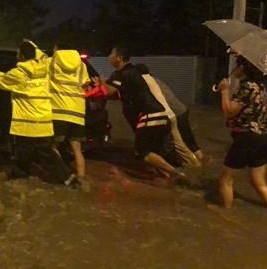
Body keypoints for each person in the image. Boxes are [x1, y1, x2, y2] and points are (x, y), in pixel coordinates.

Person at [0, 40, 76, 186]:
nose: (16, 56)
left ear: (22, 56)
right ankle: (69, 178)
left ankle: (19, 181)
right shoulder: (45, 68)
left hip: (26, 124)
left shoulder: (19, 73)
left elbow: (1, 80)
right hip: (44, 122)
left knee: (22, 153)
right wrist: (30, 46)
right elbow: (41, 55)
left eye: (17, 53)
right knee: (47, 153)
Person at [98, 46, 184, 179]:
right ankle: (166, 179)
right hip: (162, 116)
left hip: (151, 116)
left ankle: (176, 173)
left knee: (141, 152)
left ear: (119, 58)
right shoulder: (133, 71)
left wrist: (100, 83)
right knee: (153, 153)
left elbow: (109, 92)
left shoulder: (121, 73)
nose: (109, 57)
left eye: (111, 54)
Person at [216, 55, 267, 214]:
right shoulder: (260, 87)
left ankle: (225, 214)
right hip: (262, 137)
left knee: (225, 179)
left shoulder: (246, 87)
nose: (236, 69)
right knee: (259, 182)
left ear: (243, 69)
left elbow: (229, 111)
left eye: (238, 66)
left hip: (246, 138)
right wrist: (256, 120)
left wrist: (224, 91)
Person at [135, 64, 202, 167]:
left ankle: (188, 163)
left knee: (175, 141)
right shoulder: (154, 79)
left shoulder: (145, 82)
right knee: (185, 139)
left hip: (173, 112)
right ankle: (196, 161)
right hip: (179, 109)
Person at [48, 41, 90, 181]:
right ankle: (81, 179)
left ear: (58, 48)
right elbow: (86, 85)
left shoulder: (51, 62)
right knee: (77, 148)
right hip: (77, 111)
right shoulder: (82, 65)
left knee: (51, 147)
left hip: (59, 111)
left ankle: (66, 175)